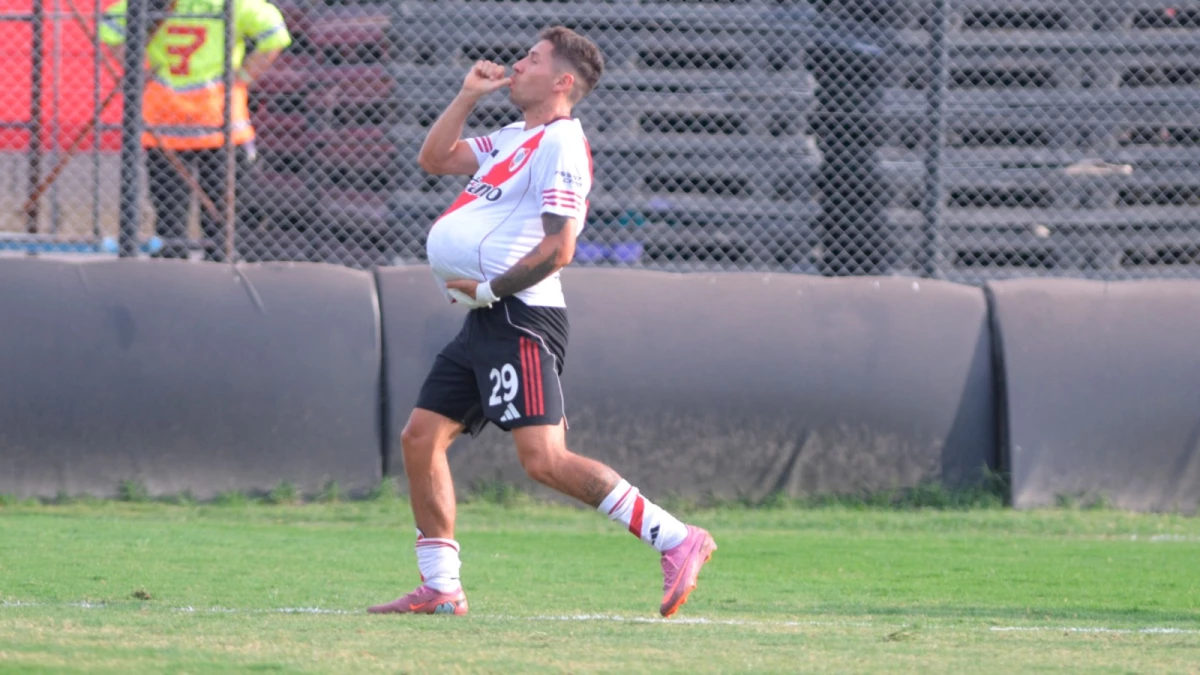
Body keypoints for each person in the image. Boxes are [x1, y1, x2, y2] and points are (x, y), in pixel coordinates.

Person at [368, 26, 716, 618]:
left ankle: (676, 538)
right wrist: (466, 96)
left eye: (530, 60)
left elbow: (560, 248)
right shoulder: (513, 136)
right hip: (486, 318)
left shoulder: (561, 143)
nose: (515, 65)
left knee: (544, 459)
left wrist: (486, 287)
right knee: (420, 438)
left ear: (561, 81)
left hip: (520, 315)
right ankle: (441, 587)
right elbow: (434, 160)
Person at [100, 0, 291, 261]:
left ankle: (173, 265)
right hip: (219, 118)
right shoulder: (231, 4)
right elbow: (275, 35)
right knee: (223, 210)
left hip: (165, 121)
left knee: (170, 210)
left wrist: (137, 68)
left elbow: (110, 25)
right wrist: (243, 78)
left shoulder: (156, 3)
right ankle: (219, 264)